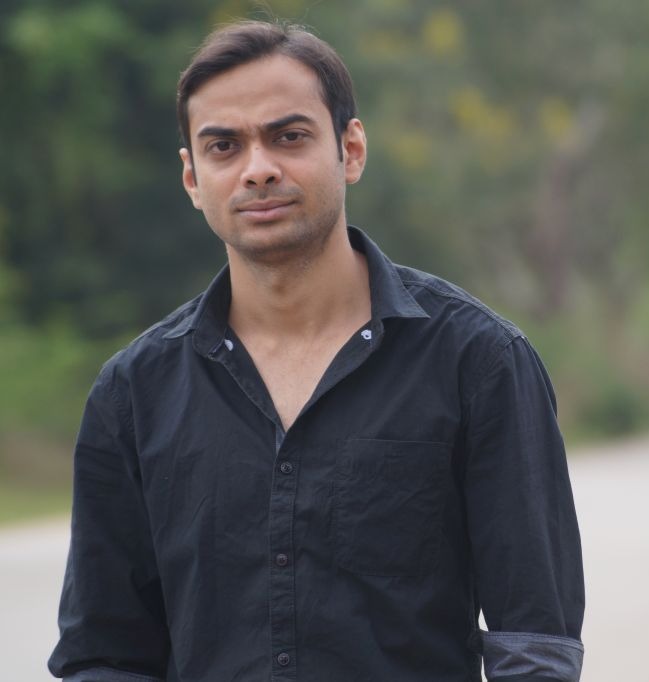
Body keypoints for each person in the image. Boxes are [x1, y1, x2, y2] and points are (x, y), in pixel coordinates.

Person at [48, 20, 584, 682]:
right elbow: (105, 653)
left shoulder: (478, 362)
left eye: (289, 136)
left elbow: (534, 645)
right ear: (192, 177)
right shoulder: (134, 393)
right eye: (224, 146)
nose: (258, 169)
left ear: (350, 150)